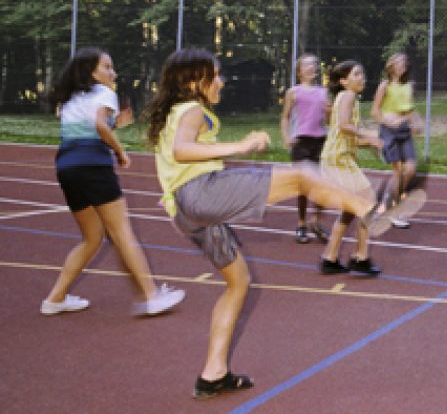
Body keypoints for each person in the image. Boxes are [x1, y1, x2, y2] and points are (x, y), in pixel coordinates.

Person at [145, 49, 414, 399]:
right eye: (216, 75)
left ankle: (213, 374)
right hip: (199, 194)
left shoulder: (173, 112)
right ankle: (367, 211)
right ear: (194, 81)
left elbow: (175, 154)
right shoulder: (192, 110)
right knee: (301, 175)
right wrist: (241, 144)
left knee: (238, 283)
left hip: (186, 213)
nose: (222, 81)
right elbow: (182, 150)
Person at [42, 47, 185, 317]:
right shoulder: (105, 93)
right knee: (122, 233)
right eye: (107, 67)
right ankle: (151, 296)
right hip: (93, 167)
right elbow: (98, 125)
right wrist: (120, 151)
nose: (113, 73)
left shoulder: (72, 98)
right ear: (90, 71)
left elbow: (86, 131)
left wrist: (115, 127)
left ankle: (55, 298)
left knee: (92, 238)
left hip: (66, 167)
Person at [319, 60, 385, 275]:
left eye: (362, 74)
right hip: (338, 160)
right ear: (344, 81)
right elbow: (345, 126)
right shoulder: (347, 96)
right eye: (356, 74)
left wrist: (372, 142)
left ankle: (330, 257)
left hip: (339, 157)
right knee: (368, 205)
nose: (362, 78)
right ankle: (360, 257)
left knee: (350, 211)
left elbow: (350, 136)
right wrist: (368, 134)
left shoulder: (349, 99)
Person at [280, 53, 330, 244]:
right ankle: (301, 224)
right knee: (304, 186)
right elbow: (285, 117)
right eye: (307, 65)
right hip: (301, 142)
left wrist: (329, 113)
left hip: (320, 142)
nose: (312, 68)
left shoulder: (323, 92)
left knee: (320, 184)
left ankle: (316, 221)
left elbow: (328, 120)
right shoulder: (293, 92)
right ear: (299, 71)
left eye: (314, 65)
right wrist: (286, 136)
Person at [371, 52, 422, 229]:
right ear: (391, 66)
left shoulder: (408, 86)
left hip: (404, 131)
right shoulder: (384, 86)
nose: (402, 66)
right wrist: (387, 120)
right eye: (399, 63)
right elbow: (375, 112)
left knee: (410, 170)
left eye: (404, 63)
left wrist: (416, 122)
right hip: (389, 132)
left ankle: (389, 199)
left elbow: (409, 110)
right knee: (399, 171)